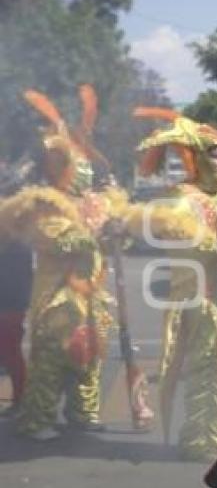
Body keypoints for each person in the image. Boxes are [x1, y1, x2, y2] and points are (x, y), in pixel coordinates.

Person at [127, 108, 217, 461]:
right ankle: (202, 441)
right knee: (206, 370)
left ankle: (214, 434)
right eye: (212, 154)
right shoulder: (183, 198)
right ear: (196, 159)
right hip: (200, 298)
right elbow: (184, 241)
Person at [0, 86, 124, 440]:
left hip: (93, 295)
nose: (83, 171)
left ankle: (82, 413)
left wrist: (117, 231)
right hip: (57, 296)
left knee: (91, 355)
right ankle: (37, 417)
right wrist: (93, 236)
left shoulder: (98, 203)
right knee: (52, 358)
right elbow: (54, 237)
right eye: (76, 164)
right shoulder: (42, 203)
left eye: (85, 164)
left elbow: (119, 233)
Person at [0, 241, 32, 416]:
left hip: (8, 308)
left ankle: (20, 400)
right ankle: (20, 400)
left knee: (11, 355)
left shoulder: (15, 248)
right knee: (11, 355)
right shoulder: (18, 246)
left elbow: (11, 282)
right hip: (12, 306)